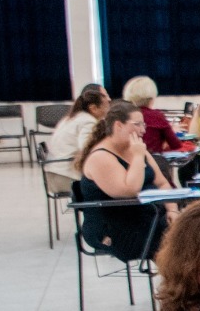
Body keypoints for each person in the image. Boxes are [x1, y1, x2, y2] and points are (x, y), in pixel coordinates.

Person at [74, 101, 177, 260]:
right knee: (183, 243)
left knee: (195, 229)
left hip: (148, 216)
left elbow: (162, 183)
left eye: (143, 125)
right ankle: (177, 273)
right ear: (118, 126)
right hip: (117, 228)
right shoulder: (100, 157)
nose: (143, 130)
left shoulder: (136, 148)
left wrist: (172, 210)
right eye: (137, 125)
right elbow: (130, 190)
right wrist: (137, 157)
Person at [44, 84, 109, 192]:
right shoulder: (88, 121)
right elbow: (87, 149)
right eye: (106, 106)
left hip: (53, 176)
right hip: (66, 178)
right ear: (93, 108)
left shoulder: (71, 117)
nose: (108, 110)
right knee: (110, 185)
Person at [122, 76, 185, 153]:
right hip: (153, 158)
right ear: (151, 98)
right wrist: (171, 131)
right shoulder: (157, 116)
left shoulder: (123, 115)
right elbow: (176, 145)